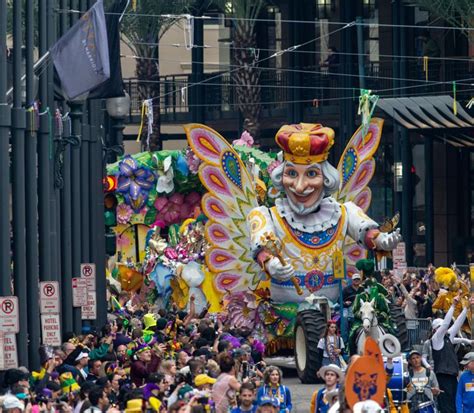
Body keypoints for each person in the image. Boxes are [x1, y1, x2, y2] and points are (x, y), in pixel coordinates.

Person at [430, 294, 467, 413]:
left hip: (451, 375)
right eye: (440, 327)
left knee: (454, 405)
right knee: (447, 407)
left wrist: (467, 307)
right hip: (442, 376)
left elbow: (457, 324)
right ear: (436, 329)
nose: (444, 328)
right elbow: (446, 324)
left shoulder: (447, 338)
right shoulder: (436, 339)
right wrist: (453, 305)